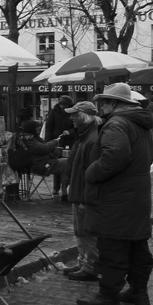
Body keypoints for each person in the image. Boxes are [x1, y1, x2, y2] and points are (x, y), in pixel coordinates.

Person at [77, 83, 153, 305]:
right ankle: (138, 292)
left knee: (112, 248)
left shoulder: (116, 124)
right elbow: (148, 155)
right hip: (136, 195)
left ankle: (107, 296)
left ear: (113, 104)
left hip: (116, 198)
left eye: (103, 102)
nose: (100, 107)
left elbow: (115, 156)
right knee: (136, 247)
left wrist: (91, 172)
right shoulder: (139, 124)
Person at [61, 101, 101, 282]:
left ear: (84, 116)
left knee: (87, 232)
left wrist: (85, 197)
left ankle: (90, 266)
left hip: (84, 193)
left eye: (75, 115)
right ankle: (82, 262)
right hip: (78, 190)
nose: (71, 118)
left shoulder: (92, 138)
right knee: (80, 230)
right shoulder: (85, 135)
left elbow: (91, 171)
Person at [17, 119, 69, 200]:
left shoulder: (31, 138)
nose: (39, 130)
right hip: (40, 165)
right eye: (37, 128)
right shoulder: (29, 139)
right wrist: (54, 142)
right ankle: (65, 192)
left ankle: (63, 191)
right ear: (32, 129)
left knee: (65, 164)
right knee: (67, 163)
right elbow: (42, 148)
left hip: (43, 162)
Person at [46, 95, 75, 198]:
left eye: (65, 105)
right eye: (61, 104)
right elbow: (49, 126)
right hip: (57, 140)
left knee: (67, 164)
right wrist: (49, 142)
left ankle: (65, 188)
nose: (63, 106)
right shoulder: (54, 111)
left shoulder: (72, 111)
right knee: (57, 163)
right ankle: (56, 187)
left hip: (70, 140)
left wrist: (70, 132)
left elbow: (76, 127)